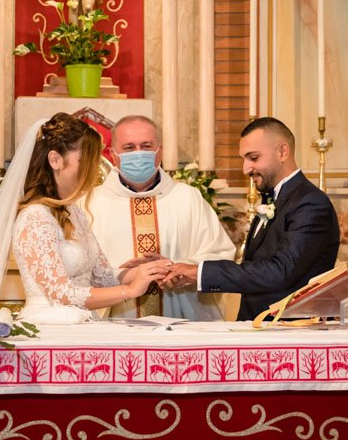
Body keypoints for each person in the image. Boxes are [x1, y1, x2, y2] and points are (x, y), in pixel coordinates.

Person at [0, 113, 170, 324]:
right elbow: (60, 293)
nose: (94, 172)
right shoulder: (35, 216)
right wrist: (128, 290)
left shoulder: (74, 211)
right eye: (85, 162)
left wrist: (142, 272)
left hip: (82, 323)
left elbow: (102, 277)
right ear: (55, 160)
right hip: (50, 325)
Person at [164, 117, 340, 321]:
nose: (245, 169)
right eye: (244, 159)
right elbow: (256, 265)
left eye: (253, 158)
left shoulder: (310, 204)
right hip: (260, 328)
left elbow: (279, 271)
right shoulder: (275, 198)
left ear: (282, 152)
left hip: (291, 332)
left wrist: (200, 273)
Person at [87, 115, 236, 320]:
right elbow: (76, 271)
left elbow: (221, 254)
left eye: (146, 146)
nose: (138, 153)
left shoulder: (187, 197)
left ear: (160, 151)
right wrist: (123, 275)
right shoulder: (90, 203)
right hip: (114, 325)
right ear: (113, 154)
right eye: (129, 147)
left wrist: (177, 269)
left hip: (181, 323)